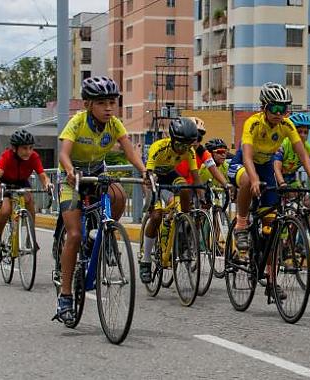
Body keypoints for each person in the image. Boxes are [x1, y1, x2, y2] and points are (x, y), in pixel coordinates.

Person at [54, 76, 148, 324]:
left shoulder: (114, 124)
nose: (108, 108)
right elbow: (64, 153)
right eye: (102, 103)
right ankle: (65, 296)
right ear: (88, 105)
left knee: (118, 195)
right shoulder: (77, 122)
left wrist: (144, 170)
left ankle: (103, 233)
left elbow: (129, 149)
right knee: (74, 235)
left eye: (112, 102)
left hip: (96, 173)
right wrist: (70, 170)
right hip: (71, 178)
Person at [228, 82, 310, 298]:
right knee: (245, 181)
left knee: (271, 231)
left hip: (265, 168)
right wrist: (253, 179)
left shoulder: (286, 125)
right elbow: (246, 156)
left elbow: (303, 155)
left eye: (284, 109)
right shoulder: (253, 124)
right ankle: (242, 224)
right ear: (264, 107)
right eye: (275, 109)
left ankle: (271, 281)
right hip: (245, 164)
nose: (279, 114)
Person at [139, 117, 202, 283]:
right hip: (153, 178)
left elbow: (196, 178)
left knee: (186, 188)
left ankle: (183, 222)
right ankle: (145, 260)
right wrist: (151, 198)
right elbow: (148, 174)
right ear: (172, 139)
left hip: (171, 175)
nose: (183, 149)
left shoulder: (189, 151)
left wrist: (202, 196)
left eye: (187, 145)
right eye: (180, 145)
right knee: (156, 215)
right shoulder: (158, 148)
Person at [0, 130, 52, 262]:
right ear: (14, 148)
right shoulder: (7, 156)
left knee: (29, 200)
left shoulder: (34, 157)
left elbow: (42, 175)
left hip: (21, 181)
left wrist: (47, 184)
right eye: (24, 148)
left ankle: (30, 236)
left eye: (30, 148)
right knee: (5, 211)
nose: (28, 151)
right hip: (5, 182)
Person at [272, 112, 310, 189]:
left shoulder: (307, 148)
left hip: (290, 177)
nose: (302, 135)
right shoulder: (284, 144)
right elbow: (276, 167)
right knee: (273, 199)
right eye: (299, 132)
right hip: (274, 176)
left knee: (305, 197)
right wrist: (281, 182)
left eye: (306, 132)